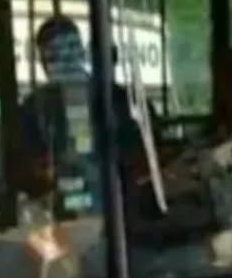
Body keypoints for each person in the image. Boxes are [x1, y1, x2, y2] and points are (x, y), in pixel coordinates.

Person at [12, 15, 150, 217]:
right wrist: (48, 174)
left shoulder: (120, 100)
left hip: (122, 211)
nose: (65, 63)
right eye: (54, 56)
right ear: (43, 61)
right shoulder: (33, 109)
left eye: (71, 50)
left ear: (81, 52)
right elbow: (24, 166)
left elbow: (144, 156)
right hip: (60, 214)